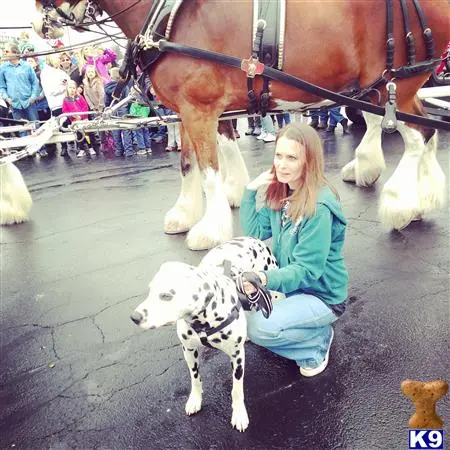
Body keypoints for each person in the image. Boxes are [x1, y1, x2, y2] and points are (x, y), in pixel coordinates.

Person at [239, 122, 348, 377]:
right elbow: (256, 232)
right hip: (295, 291)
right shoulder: (281, 192)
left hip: (323, 297)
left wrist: (265, 279)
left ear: (308, 161)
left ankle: (316, 346)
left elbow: (308, 270)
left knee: (258, 329)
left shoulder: (319, 207)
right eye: (278, 155)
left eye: (291, 158)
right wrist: (249, 192)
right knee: (247, 320)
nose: (282, 164)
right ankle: (306, 327)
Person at [104, 67, 135, 158]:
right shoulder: (124, 85)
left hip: (113, 109)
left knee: (115, 130)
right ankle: (128, 150)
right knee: (126, 130)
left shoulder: (107, 87)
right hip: (123, 108)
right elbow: (128, 98)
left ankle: (119, 150)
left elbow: (106, 101)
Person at [62, 80, 93, 157]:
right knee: (79, 135)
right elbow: (65, 110)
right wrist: (73, 116)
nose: (72, 90)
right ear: (67, 89)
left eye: (73, 88)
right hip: (75, 121)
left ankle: (91, 147)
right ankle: (81, 149)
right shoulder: (65, 100)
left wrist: (81, 116)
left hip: (83, 119)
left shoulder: (79, 97)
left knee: (87, 133)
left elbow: (85, 107)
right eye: (70, 88)